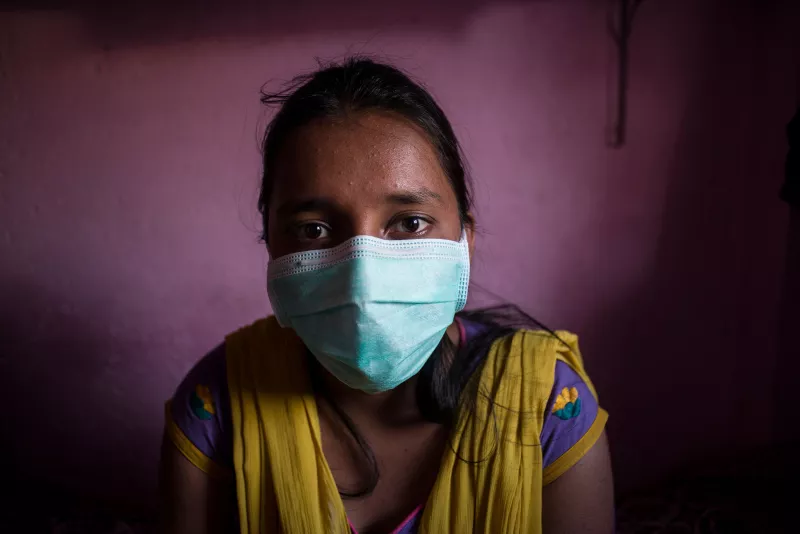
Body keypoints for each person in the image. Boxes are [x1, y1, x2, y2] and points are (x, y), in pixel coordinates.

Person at [159, 58, 614, 534]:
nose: (362, 275)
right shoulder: (218, 405)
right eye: (313, 229)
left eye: (409, 223)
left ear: (465, 243)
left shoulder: (545, 406)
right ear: (271, 248)